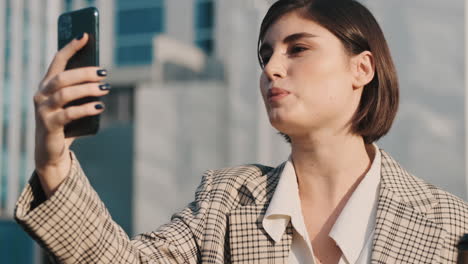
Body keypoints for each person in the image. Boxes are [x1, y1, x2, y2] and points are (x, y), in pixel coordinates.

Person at [15, 0, 468, 263]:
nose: (271, 68)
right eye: (265, 55)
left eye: (298, 48)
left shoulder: (451, 226)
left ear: (361, 68)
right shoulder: (226, 200)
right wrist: (52, 163)